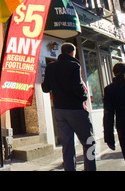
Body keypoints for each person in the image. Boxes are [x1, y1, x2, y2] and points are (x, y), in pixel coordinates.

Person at [42, 42, 96, 171]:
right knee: (89, 142)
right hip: (75, 109)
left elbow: (45, 88)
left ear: (61, 51)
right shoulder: (74, 66)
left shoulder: (51, 67)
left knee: (67, 146)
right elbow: (77, 88)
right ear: (72, 52)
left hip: (59, 110)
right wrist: (84, 96)